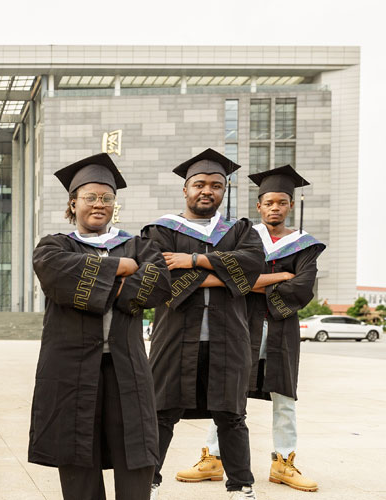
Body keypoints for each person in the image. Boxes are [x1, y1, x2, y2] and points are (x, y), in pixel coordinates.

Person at [28, 153, 172, 500]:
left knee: (136, 452)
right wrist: (123, 268)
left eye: (107, 198)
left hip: (126, 367)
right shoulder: (54, 246)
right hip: (70, 368)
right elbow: (55, 274)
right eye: (90, 197)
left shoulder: (139, 245)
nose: (99, 204)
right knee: (77, 455)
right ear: (73, 203)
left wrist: (103, 280)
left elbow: (160, 284)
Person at [176, 164, 323, 493]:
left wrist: (248, 282)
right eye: (269, 203)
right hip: (240, 324)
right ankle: (213, 458)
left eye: (281, 203)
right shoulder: (240, 237)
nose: (275, 208)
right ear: (259, 205)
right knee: (227, 391)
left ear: (291, 205)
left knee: (284, 395)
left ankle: (283, 462)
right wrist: (277, 277)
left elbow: (301, 288)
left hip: (281, 328)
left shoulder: (305, 245)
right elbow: (227, 275)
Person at [142, 149, 265, 500]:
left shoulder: (240, 230)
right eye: (199, 184)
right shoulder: (160, 230)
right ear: (186, 189)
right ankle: (147, 482)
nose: (207, 190)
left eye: (215, 185)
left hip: (229, 337)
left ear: (224, 190)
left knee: (231, 414)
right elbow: (160, 274)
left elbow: (253, 266)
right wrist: (224, 274)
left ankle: (241, 486)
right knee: (161, 411)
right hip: (175, 335)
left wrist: (194, 259)